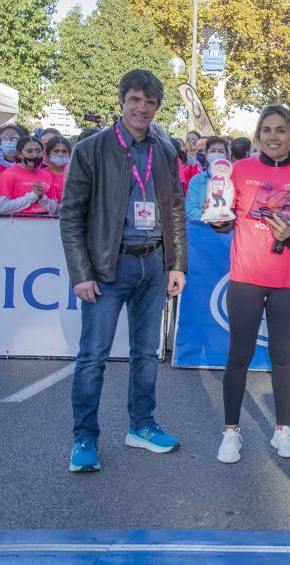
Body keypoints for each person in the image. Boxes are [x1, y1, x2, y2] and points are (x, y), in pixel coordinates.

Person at [60, 69, 188, 473]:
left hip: (153, 264)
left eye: (150, 102)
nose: (142, 108)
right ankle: (85, 437)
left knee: (146, 354)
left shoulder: (165, 152)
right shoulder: (91, 149)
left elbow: (176, 212)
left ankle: (142, 426)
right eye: (135, 100)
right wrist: (81, 272)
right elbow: (71, 214)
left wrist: (177, 264)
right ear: (122, 101)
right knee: (93, 356)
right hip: (106, 267)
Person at [211, 105, 290, 464]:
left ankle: (282, 430)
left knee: (282, 356)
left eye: (281, 130)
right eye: (267, 130)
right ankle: (231, 432)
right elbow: (223, 220)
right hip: (246, 279)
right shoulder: (239, 170)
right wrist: (217, 219)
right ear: (258, 135)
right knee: (239, 355)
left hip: (288, 283)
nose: (273, 137)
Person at [0, 136, 60, 215]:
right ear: (20, 154)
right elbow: (2, 207)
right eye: (29, 151)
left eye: (38, 151)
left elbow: (56, 209)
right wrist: (32, 196)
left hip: (44, 224)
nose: (35, 155)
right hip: (17, 225)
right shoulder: (8, 174)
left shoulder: (47, 175)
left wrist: (42, 197)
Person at [184, 136, 229, 220]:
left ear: (226, 155)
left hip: (226, 230)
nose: (216, 154)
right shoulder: (196, 180)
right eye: (213, 151)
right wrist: (211, 218)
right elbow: (190, 210)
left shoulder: (233, 179)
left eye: (221, 151)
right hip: (201, 228)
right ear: (206, 155)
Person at [0, 123, 28, 215]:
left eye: (15, 138)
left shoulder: (29, 166)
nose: (9, 141)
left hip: (20, 218)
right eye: (4, 137)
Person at [43, 135, 73, 201]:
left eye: (64, 151)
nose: (60, 155)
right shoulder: (41, 174)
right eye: (56, 151)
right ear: (49, 154)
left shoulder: (75, 174)